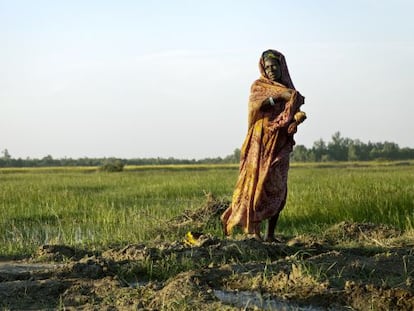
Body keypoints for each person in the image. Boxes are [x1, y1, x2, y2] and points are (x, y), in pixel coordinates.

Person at [221, 49, 306, 241]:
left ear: (281, 67)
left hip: (279, 142)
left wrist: (295, 120)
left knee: (278, 186)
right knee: (258, 183)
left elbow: (292, 112)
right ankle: (254, 231)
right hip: (260, 142)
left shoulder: (289, 89)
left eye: (274, 66)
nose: (271, 70)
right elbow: (255, 106)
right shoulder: (259, 86)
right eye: (267, 67)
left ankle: (270, 235)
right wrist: (278, 97)